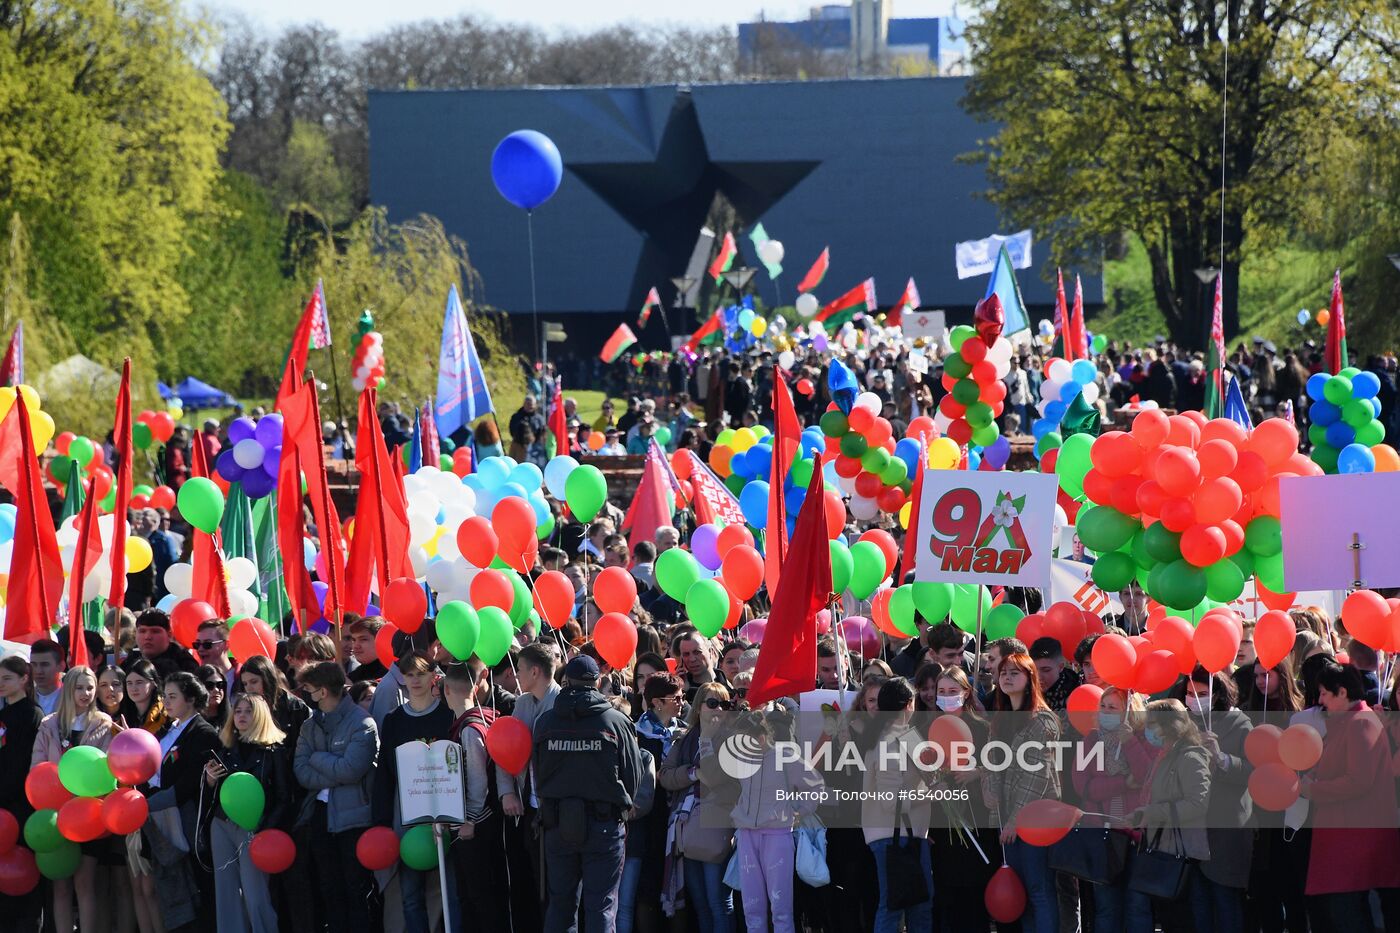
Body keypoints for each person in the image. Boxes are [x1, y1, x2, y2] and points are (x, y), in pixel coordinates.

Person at [532, 654, 645, 933]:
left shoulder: (545, 722)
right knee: (602, 906)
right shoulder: (615, 721)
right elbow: (634, 775)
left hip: (558, 825)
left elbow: (539, 773)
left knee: (561, 904)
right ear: (596, 682)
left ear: (566, 681)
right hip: (603, 827)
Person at [709, 701, 823, 933]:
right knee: (752, 908)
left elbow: (816, 786)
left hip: (777, 837)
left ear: (761, 737)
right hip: (747, 837)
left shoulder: (786, 756)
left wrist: (798, 811)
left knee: (781, 909)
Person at [1301, 662, 1400, 926]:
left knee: (1348, 914)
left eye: (1324, 693)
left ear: (1342, 692)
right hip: (1346, 834)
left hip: (1354, 838)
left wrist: (1313, 789)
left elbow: (1358, 781)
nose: (1320, 700)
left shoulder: (1360, 723)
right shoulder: (1352, 722)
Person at [372, 650, 460, 933]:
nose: (415, 680)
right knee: (411, 894)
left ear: (434, 676)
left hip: (447, 814)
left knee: (451, 890)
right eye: (409, 675)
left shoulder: (448, 715)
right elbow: (385, 773)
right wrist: (382, 822)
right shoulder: (394, 720)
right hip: (408, 817)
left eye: (421, 674)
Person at [293, 660, 379, 933]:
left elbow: (352, 770)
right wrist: (336, 769)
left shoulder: (362, 723)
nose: (305, 693)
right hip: (320, 817)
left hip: (354, 821)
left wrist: (318, 757)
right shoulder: (309, 725)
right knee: (330, 889)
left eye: (308, 688)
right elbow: (301, 772)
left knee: (356, 890)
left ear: (322, 691)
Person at [32, 666, 116, 933]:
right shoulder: (49, 724)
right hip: (56, 815)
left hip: (89, 815)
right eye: (79, 688)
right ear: (68, 689)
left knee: (85, 883)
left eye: (90, 688)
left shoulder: (103, 723)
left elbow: (106, 770)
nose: (86, 693)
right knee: (61, 885)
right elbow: (37, 768)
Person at [984, 652, 1061, 933]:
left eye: (1015, 672)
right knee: (1021, 894)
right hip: (1005, 818)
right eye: (1003, 672)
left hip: (1033, 820)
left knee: (1038, 889)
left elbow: (1036, 776)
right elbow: (991, 763)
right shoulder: (1000, 719)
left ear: (1030, 679)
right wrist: (989, 792)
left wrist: (1017, 820)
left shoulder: (1042, 722)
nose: (1007, 677)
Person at [204, 694, 294, 933]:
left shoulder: (273, 751)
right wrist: (210, 782)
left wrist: (264, 831)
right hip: (221, 823)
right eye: (238, 710)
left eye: (248, 711)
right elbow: (216, 794)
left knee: (256, 895)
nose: (241, 716)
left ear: (261, 716)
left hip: (255, 827)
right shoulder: (225, 748)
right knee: (226, 895)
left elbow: (284, 797)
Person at [1175, 666, 1255, 930]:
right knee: (1198, 905)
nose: (1194, 699)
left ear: (1218, 694)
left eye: (1202, 693)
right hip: (1192, 831)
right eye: (1189, 693)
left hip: (1226, 830)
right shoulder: (1183, 723)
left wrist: (1222, 759)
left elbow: (1252, 772)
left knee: (1225, 903)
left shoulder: (1239, 722)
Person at [1124, 699, 1212, 933]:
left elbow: (1197, 804)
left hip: (1184, 853)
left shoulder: (1191, 757)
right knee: (1169, 917)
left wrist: (1153, 813)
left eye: (1153, 724)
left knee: (1185, 918)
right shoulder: (1164, 755)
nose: (1148, 729)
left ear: (1169, 725)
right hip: (1164, 847)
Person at [1072, 686, 1152, 931]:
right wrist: (1122, 784)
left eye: (1113, 708)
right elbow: (1083, 787)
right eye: (1103, 706)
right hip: (1103, 835)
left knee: (1137, 905)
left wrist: (1129, 743)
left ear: (1130, 711)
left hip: (1137, 835)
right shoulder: (1092, 740)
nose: (1106, 712)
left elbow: (1146, 776)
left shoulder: (1144, 739)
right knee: (1106, 907)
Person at [659, 682, 735, 933]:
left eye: (724, 704)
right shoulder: (684, 738)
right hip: (687, 829)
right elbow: (666, 777)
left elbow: (714, 776)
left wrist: (706, 741)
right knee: (700, 904)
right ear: (699, 707)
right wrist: (693, 772)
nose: (718, 710)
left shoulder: (733, 740)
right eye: (712, 703)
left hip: (717, 827)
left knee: (718, 902)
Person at [441, 661, 510, 933]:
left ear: (447, 689)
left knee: (480, 897)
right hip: (472, 822)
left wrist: (469, 820)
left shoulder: (470, 728)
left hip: (476, 825)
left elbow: (478, 781)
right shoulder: (479, 719)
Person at [863, 677, 933, 933]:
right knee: (897, 906)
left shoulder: (899, 736)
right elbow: (890, 801)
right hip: (894, 837)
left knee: (910, 905)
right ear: (909, 705)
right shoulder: (890, 743)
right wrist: (931, 796)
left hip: (905, 835)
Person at [621, 671, 682, 933]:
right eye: (676, 698)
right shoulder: (637, 735)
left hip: (677, 821)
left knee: (678, 889)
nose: (681, 702)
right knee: (648, 889)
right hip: (647, 825)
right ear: (657, 702)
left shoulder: (683, 732)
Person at [122, 609, 200, 680]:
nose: (147, 637)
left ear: (169, 635)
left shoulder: (184, 663)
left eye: (155, 631)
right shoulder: (130, 661)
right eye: (142, 631)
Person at [193, 619, 234, 693]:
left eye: (207, 644)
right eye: (197, 644)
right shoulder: (194, 680)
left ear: (226, 645)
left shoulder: (243, 678)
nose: (200, 649)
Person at [28, 638, 64, 715]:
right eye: (33, 664)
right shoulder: (24, 698)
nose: (38, 671)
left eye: (45, 664)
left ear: (61, 666)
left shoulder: (73, 698)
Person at [346, 616, 388, 683]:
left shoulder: (393, 674)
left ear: (380, 640)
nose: (356, 646)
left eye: (363, 639)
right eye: (354, 640)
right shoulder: (353, 676)